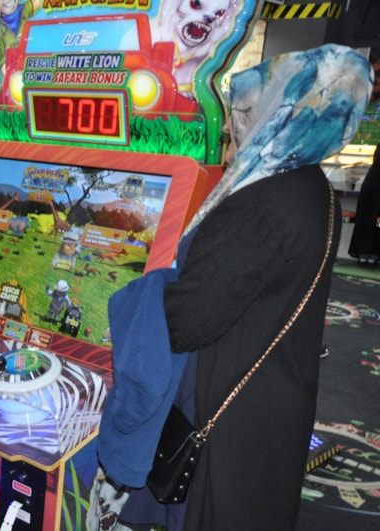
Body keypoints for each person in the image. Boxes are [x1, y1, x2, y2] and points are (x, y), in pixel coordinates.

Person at [93, 43, 373, 531]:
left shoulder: (262, 204)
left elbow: (188, 319)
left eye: (241, 118)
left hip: (230, 418)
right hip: (274, 395)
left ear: (280, 112)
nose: (227, 136)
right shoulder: (310, 184)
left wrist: (137, 292)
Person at [348, 143, 380, 266]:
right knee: (375, 225)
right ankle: (372, 256)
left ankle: (364, 256)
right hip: (375, 188)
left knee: (366, 222)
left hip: (369, 186)